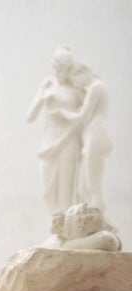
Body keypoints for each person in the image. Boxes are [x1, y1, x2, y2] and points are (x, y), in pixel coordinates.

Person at [26, 47, 84, 215]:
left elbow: (84, 118)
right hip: (49, 142)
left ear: (69, 68)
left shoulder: (76, 89)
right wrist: (42, 97)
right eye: (56, 67)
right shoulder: (48, 85)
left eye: (63, 68)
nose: (59, 71)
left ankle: (65, 233)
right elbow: (30, 116)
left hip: (69, 142)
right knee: (47, 193)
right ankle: (57, 226)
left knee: (66, 196)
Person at [56, 62, 113, 212]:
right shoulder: (95, 88)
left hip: (96, 137)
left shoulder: (96, 87)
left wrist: (63, 113)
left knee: (94, 187)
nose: (75, 85)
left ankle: (107, 227)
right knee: (82, 189)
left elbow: (82, 117)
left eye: (74, 81)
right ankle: (88, 226)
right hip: (91, 139)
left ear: (80, 73)